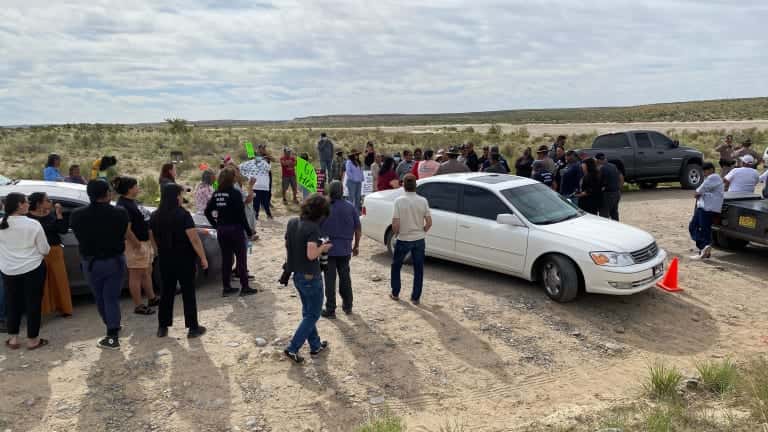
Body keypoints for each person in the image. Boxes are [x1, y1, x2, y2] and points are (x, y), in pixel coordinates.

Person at [70, 180, 129, 350]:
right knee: (111, 298)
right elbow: (122, 233)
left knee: (100, 298)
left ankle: (112, 330)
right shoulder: (120, 213)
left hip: (91, 263)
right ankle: (113, 330)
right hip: (115, 261)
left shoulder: (77, 215)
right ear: (108, 193)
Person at [151, 184, 209, 338]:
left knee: (166, 293)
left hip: (165, 259)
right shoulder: (183, 215)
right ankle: (192, 327)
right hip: (184, 258)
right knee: (188, 292)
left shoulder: (155, 215)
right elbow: (194, 239)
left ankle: (163, 326)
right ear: (176, 196)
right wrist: (203, 258)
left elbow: (152, 238)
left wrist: (159, 252)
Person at [283, 194, 333, 363]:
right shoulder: (313, 228)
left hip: (297, 274)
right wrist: (324, 248)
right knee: (313, 314)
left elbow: (287, 244)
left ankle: (315, 345)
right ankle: (293, 347)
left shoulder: (292, 222)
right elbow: (311, 255)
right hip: (311, 275)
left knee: (308, 311)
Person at [0, 193, 50, 350]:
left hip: (9, 270)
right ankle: (32, 340)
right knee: (33, 303)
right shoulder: (33, 224)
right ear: (19, 205)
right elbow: (45, 249)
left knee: (12, 303)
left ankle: (13, 339)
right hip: (33, 269)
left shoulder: (1, 223)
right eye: (26, 202)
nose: (29, 204)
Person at [204, 168, 258, 297]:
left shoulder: (216, 194)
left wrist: (216, 225)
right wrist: (249, 231)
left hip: (222, 230)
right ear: (231, 178)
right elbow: (241, 215)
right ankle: (244, 287)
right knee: (241, 258)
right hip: (235, 229)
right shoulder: (234, 193)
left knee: (227, 259)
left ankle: (226, 287)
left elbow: (207, 211)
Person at [114, 177, 159, 315]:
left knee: (146, 272)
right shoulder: (123, 205)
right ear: (129, 189)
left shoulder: (132, 202)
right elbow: (126, 229)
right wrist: (136, 244)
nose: (138, 188)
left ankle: (152, 298)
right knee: (136, 275)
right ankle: (138, 305)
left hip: (143, 242)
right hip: (135, 244)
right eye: (136, 186)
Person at [27, 193, 73, 317]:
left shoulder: (51, 214)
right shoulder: (27, 217)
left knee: (59, 279)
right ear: (38, 204)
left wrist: (58, 213)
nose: (51, 202)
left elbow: (62, 230)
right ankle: (42, 311)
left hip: (54, 251)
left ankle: (64, 308)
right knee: (41, 283)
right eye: (47, 200)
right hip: (36, 253)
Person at [320, 181, 361, 318]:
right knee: (345, 278)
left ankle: (330, 309)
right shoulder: (350, 207)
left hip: (328, 249)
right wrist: (356, 246)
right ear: (342, 191)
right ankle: (348, 305)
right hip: (345, 249)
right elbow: (358, 228)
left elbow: (316, 228)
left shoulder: (324, 207)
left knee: (329, 280)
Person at [390, 174, 431, 305]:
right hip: (419, 239)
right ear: (416, 186)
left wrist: (396, 234)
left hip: (403, 238)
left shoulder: (399, 201)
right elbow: (429, 222)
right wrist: (422, 231)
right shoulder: (423, 200)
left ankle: (395, 293)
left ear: (403, 186)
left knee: (396, 266)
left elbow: (395, 223)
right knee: (418, 269)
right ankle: (415, 297)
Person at [689, 162, 724, 260]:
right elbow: (699, 192)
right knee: (694, 226)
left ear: (711, 169)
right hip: (704, 207)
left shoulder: (713, 177)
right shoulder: (711, 178)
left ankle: (704, 249)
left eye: (705, 171)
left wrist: (699, 193)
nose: (704, 173)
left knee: (703, 229)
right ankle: (704, 249)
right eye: (703, 171)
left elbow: (699, 191)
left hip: (708, 208)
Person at [596, 153, 624, 221]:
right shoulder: (613, 166)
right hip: (616, 192)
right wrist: (619, 188)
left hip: (608, 194)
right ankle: (617, 227)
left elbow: (599, 182)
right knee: (614, 212)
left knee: (604, 214)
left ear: (598, 160)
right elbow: (621, 177)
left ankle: (606, 229)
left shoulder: (601, 168)